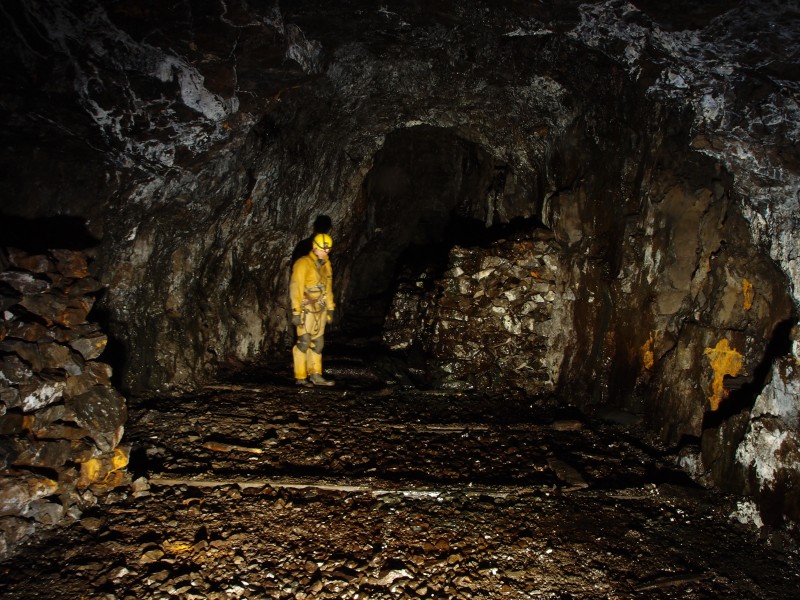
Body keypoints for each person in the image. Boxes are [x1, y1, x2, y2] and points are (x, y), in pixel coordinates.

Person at [289, 232, 336, 387]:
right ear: (315, 247)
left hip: (320, 309)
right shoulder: (302, 263)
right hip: (306, 309)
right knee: (303, 342)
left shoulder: (326, 265)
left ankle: (315, 375)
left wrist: (330, 308)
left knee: (318, 343)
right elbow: (296, 287)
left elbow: (328, 288)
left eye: (328, 250)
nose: (326, 252)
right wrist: (296, 311)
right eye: (323, 249)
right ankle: (301, 377)